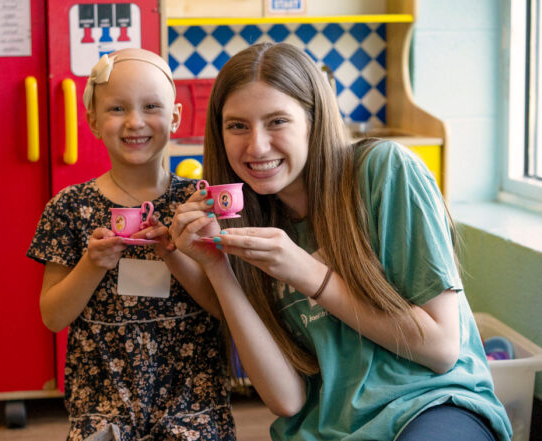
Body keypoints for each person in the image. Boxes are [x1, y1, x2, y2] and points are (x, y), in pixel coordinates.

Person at [170, 42, 513, 441]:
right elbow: (287, 401)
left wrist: (305, 271)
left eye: (277, 121)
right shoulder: (246, 222)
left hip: (432, 404)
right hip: (327, 429)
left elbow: (440, 349)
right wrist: (217, 266)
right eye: (237, 126)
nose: (257, 146)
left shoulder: (385, 171)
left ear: (314, 121)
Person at [27, 48, 235, 441]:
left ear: (174, 117)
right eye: (117, 108)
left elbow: (224, 306)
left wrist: (174, 255)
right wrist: (92, 263)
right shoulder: (69, 207)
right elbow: (53, 316)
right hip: (103, 406)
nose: (135, 122)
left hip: (193, 404)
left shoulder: (198, 204)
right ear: (92, 120)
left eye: (151, 106)